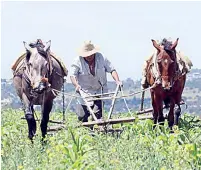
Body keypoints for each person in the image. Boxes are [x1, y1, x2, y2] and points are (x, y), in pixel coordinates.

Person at [69, 40, 122, 122]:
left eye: (90, 54)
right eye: (86, 55)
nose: (89, 56)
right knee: (82, 116)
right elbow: (72, 75)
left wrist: (117, 81)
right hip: (83, 91)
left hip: (99, 91)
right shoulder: (77, 61)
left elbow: (112, 69)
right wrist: (76, 85)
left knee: (97, 115)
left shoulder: (101, 57)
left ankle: (95, 132)